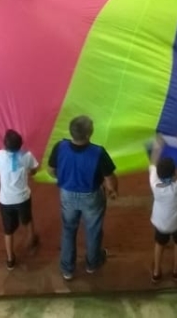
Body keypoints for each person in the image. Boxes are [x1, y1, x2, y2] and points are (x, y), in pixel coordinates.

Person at [48, 115, 118, 281]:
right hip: (91, 196)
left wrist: (64, 178)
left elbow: (51, 170)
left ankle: (67, 269)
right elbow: (109, 179)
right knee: (93, 231)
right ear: (89, 134)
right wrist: (112, 190)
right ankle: (92, 264)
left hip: (67, 194)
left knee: (68, 229)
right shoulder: (98, 152)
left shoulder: (60, 147)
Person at [148, 135, 177, 283]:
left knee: (159, 242)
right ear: (175, 173)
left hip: (160, 222)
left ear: (158, 173)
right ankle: (176, 270)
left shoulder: (154, 184)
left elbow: (152, 163)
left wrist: (157, 146)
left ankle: (156, 271)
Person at [0, 129, 40, 270]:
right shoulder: (27, 156)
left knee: (8, 230)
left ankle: (10, 259)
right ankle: (31, 241)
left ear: (5, 145)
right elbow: (34, 169)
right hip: (23, 197)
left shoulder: (0, 155)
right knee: (28, 219)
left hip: (5, 200)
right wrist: (30, 171)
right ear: (21, 144)